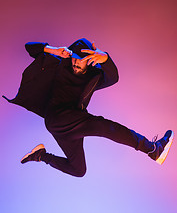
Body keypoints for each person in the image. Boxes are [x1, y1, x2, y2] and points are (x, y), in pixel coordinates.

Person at [3, 38, 174, 177]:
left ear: (89, 61)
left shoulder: (94, 75)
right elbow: (29, 47)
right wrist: (52, 50)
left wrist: (106, 59)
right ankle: (153, 150)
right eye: (74, 59)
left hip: (69, 123)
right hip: (56, 117)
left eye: (81, 60)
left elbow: (113, 77)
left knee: (78, 170)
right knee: (104, 127)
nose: (76, 63)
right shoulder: (60, 64)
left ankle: (40, 155)